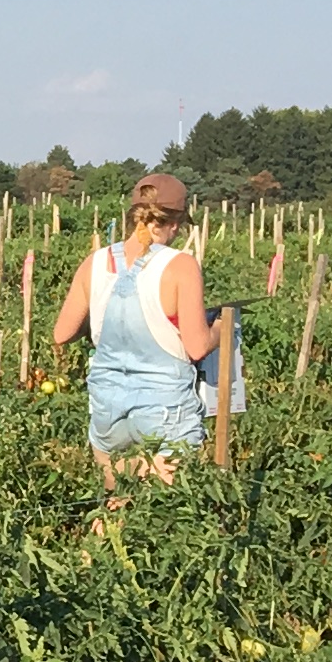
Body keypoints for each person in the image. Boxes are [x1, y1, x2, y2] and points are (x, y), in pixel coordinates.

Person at [51, 168, 216, 483]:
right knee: (169, 503)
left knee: (115, 498)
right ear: (175, 223)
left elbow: (62, 334)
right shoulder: (180, 265)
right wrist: (221, 328)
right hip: (164, 409)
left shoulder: (96, 262)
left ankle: (112, 497)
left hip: (107, 408)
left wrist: (101, 321)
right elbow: (197, 347)